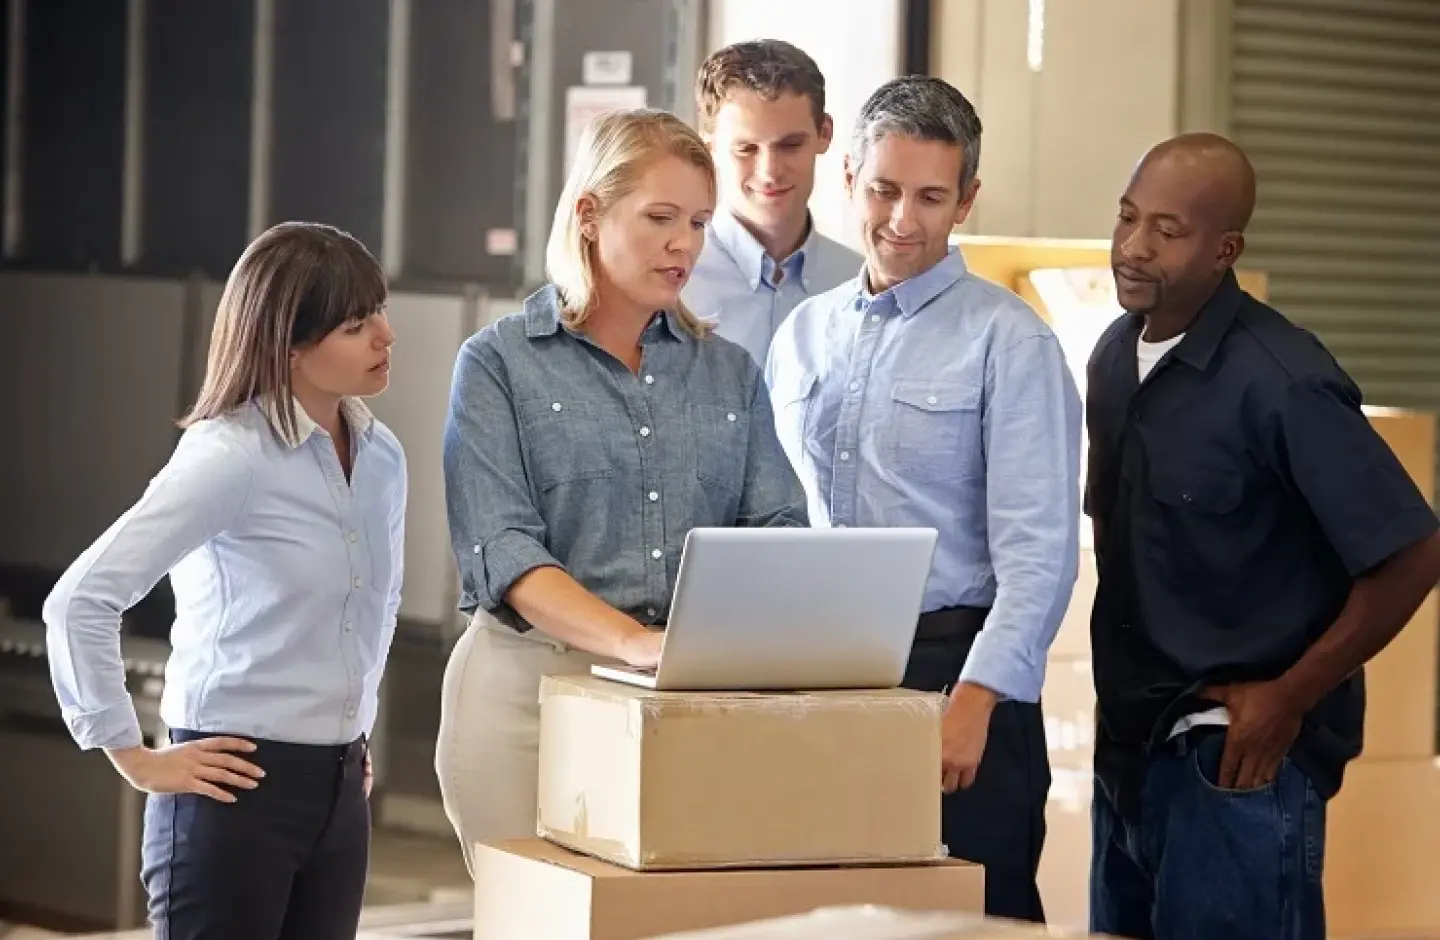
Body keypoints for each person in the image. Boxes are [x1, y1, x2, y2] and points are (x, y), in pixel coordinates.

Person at [1084, 132, 1440, 940]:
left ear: (1224, 249)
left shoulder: (1282, 381)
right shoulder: (1111, 358)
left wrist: (1289, 697)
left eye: (1167, 231)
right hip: (1130, 750)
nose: (1134, 248)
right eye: (1127, 218)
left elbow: (1413, 549)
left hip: (1234, 762)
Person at [435, 107, 808, 873]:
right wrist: (634, 642)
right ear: (589, 214)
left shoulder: (729, 371)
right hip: (525, 702)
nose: (685, 244)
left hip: (680, 700)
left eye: (701, 222)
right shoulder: (498, 363)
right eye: (661, 217)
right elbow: (503, 548)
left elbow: (777, 525)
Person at [766, 75, 1082, 923]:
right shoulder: (801, 336)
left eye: (931, 196)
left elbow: (1039, 555)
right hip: (825, 680)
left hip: (956, 677)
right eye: (884, 189)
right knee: (836, 918)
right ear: (849, 182)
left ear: (966, 200)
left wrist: (973, 702)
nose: (903, 219)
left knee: (973, 920)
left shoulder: (1010, 344)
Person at [42, 221, 406, 940]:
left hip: (340, 789)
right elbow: (81, 600)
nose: (386, 336)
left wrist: (350, 740)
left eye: (380, 312)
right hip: (232, 788)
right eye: (357, 324)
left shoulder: (382, 454)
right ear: (290, 345)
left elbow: (375, 609)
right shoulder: (230, 457)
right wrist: (134, 758)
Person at [681, 39, 861, 366]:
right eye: (746, 149)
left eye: (790, 145)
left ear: (825, 133)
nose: (770, 172)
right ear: (710, 149)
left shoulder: (861, 284)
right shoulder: (671, 281)